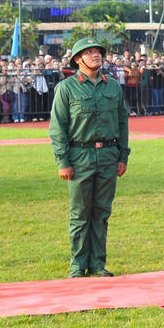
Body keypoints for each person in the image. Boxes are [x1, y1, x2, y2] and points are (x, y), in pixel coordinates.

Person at [48, 38, 130, 278]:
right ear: (77, 59)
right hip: (80, 155)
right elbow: (58, 128)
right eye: (89, 52)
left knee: (102, 212)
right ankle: (77, 264)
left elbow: (123, 123)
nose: (96, 55)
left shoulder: (113, 86)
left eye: (98, 52)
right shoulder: (66, 88)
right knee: (80, 213)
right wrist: (63, 161)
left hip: (107, 154)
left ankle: (97, 263)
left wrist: (122, 156)